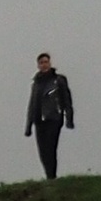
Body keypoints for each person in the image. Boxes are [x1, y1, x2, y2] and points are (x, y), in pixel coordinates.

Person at [25, 51, 75, 180]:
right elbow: (32, 104)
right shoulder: (36, 84)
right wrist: (28, 125)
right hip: (39, 121)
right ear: (38, 65)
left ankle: (52, 176)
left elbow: (66, 100)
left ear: (50, 63)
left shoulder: (58, 80)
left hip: (53, 118)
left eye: (46, 62)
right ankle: (49, 176)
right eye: (41, 63)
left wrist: (69, 118)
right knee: (42, 151)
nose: (44, 65)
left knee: (51, 148)